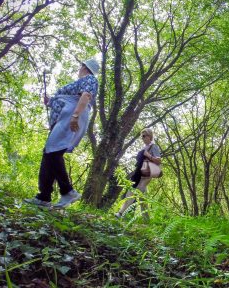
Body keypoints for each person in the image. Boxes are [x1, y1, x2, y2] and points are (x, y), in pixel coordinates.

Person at [25, 59, 99, 209]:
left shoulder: (90, 78)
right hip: (65, 118)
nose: (79, 69)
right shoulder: (82, 81)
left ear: (85, 67)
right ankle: (44, 197)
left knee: (52, 151)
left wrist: (75, 116)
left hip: (71, 116)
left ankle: (67, 191)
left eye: (81, 66)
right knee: (50, 153)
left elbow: (85, 96)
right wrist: (50, 101)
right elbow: (68, 98)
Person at [115, 128, 161, 219]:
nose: (142, 138)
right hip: (138, 173)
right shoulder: (144, 147)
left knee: (131, 192)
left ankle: (120, 213)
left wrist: (149, 155)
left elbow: (158, 161)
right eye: (141, 136)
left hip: (146, 174)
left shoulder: (154, 146)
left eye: (144, 136)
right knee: (141, 196)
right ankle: (147, 219)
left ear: (149, 136)